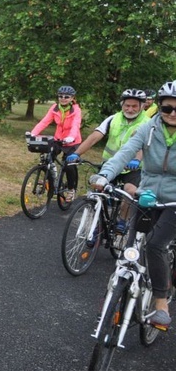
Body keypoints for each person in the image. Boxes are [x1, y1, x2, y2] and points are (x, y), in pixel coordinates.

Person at [89, 81, 176, 329]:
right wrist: (105, 175)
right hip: (147, 195)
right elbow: (125, 152)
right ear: (159, 107)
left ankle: (161, 303)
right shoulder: (149, 129)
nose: (172, 114)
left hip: (174, 200)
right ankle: (112, 297)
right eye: (167, 108)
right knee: (131, 248)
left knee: (156, 245)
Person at [66, 89, 148, 232]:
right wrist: (77, 153)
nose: (130, 109)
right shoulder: (113, 119)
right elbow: (95, 137)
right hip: (110, 166)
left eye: (134, 106)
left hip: (134, 168)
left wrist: (136, 159)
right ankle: (96, 223)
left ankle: (122, 220)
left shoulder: (147, 123)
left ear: (142, 106)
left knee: (130, 191)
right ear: (122, 104)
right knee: (97, 189)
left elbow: (141, 143)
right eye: (127, 105)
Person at [28, 85, 82, 201]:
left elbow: (75, 125)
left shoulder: (76, 110)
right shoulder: (54, 108)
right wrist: (33, 133)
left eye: (66, 97)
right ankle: (50, 178)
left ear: (72, 98)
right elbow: (45, 121)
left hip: (72, 141)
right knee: (49, 157)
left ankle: (71, 190)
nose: (63, 98)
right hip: (58, 138)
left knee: (69, 165)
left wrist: (71, 137)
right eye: (60, 96)